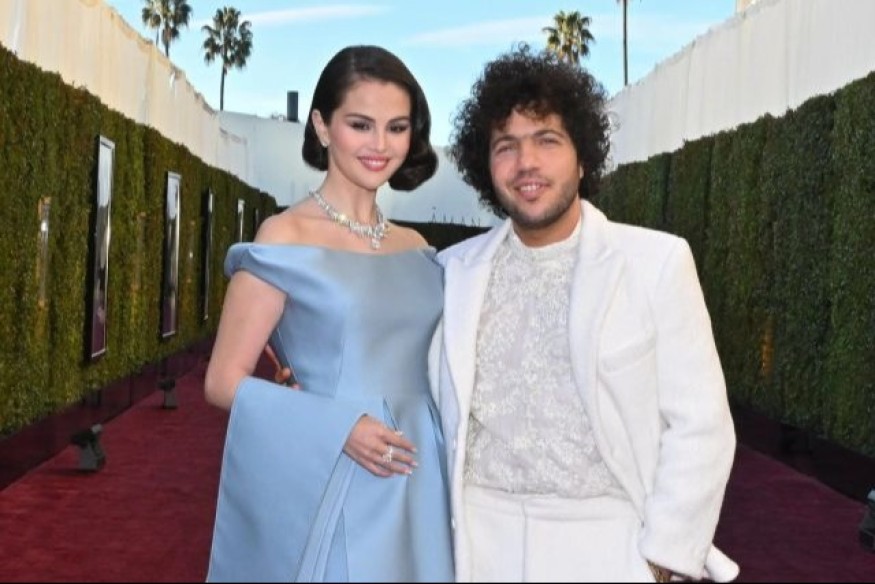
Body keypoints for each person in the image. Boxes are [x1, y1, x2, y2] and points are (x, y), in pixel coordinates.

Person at [429, 45, 740, 582]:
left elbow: (701, 424)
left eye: (547, 140)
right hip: (479, 546)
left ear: (583, 157)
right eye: (506, 146)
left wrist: (663, 557)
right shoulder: (452, 270)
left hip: (608, 546)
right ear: (486, 165)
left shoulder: (656, 263)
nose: (526, 162)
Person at [203, 45, 454, 582]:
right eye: (360, 125)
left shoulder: (417, 247)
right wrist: (337, 426)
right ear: (321, 125)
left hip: (422, 471)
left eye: (396, 127)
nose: (379, 145)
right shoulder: (283, 236)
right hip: (340, 465)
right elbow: (222, 380)